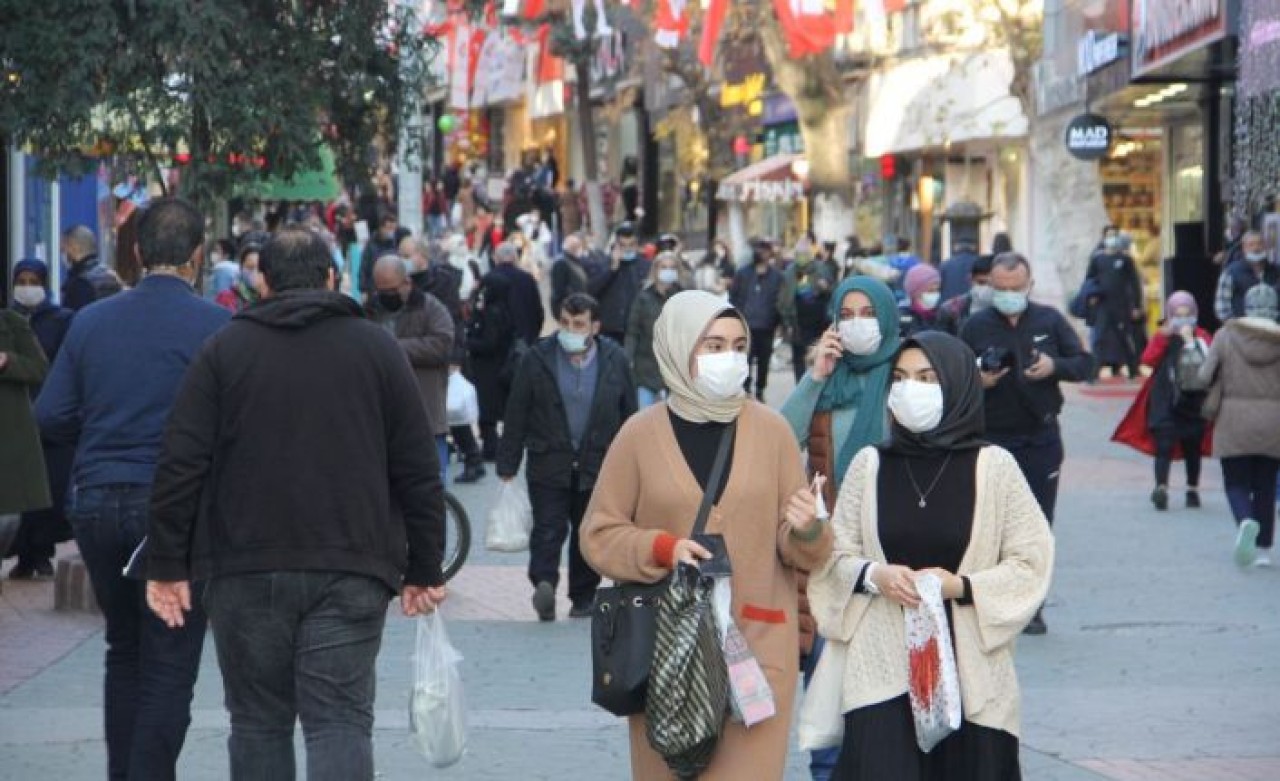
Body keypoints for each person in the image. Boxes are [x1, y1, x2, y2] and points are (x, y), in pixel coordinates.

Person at [144, 226, 446, 781]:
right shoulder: (377, 349)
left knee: (258, 721)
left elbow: (181, 463)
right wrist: (424, 566)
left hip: (243, 566)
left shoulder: (224, 350)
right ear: (332, 278)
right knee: (340, 722)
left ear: (262, 282)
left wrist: (167, 565)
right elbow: (417, 467)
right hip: (352, 564)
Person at [580, 290, 833, 779]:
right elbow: (599, 534)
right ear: (678, 348)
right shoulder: (639, 434)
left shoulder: (773, 430)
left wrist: (807, 529)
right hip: (666, 658)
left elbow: (802, 549)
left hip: (755, 654)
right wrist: (661, 547)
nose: (730, 358)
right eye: (713, 346)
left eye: (738, 346)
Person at [35, 198, 231, 780]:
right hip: (175, 508)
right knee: (169, 658)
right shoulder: (218, 329)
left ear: (138, 252)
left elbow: (50, 416)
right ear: (199, 256)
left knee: (124, 649)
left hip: (96, 500)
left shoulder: (90, 322)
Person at [808, 331, 1055, 780]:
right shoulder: (870, 464)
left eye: (926, 377)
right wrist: (874, 575)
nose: (909, 389)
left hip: (972, 679)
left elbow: (1031, 560)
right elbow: (833, 557)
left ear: (958, 384)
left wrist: (960, 587)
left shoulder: (994, 467)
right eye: (900, 377)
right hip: (881, 673)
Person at [779, 275, 901, 781]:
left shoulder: (906, 375)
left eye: (867, 313)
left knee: (885, 706)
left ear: (888, 318)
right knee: (827, 698)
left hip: (892, 560)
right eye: (845, 314)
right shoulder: (829, 380)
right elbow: (781, 439)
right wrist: (815, 374)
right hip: (828, 564)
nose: (856, 324)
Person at [960, 252, 1093, 635]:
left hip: (1041, 438)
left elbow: (1085, 363)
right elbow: (951, 373)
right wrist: (977, 380)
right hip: (989, 440)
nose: (1007, 295)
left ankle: (1032, 605)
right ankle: (992, 598)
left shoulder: (1049, 320)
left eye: (1015, 289)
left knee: (1037, 525)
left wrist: (1055, 367)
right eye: (999, 289)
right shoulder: (975, 325)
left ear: (1029, 286)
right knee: (991, 523)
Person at [499, 293, 636, 620]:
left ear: (595, 327)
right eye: (564, 323)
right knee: (548, 527)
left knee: (586, 532)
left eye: (578, 324)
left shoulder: (614, 360)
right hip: (549, 459)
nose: (570, 330)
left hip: (597, 462)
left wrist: (634, 465)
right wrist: (508, 463)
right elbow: (517, 411)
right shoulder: (537, 359)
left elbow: (630, 415)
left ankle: (583, 596)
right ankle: (544, 583)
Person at [1200, 283, 1280, 569]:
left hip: (1232, 419)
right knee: (1266, 486)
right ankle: (1263, 551)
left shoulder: (1226, 335)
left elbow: (1204, 375)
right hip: (1274, 423)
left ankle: (1245, 518)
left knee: (1236, 482)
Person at [1112, 292, 1213, 512]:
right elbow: (1147, 360)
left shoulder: (1203, 336)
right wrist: (1163, 337)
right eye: (1177, 314)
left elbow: (1210, 364)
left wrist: (1190, 341)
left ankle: (1192, 489)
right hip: (1165, 398)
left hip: (1193, 402)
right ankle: (1161, 488)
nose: (1183, 320)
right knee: (1163, 444)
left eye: (1187, 315)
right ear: (1169, 315)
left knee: (1192, 447)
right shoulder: (1164, 336)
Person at [6, 260, 75, 579]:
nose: (27, 285)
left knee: (47, 491)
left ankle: (41, 551)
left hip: (49, 421)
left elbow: (54, 368)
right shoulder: (10, 318)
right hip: (15, 423)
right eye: (21, 280)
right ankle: (22, 554)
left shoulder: (61, 320)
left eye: (34, 280)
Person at [367, 255, 456, 485]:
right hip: (383, 416)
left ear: (406, 283)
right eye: (381, 290)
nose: (386, 296)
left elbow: (442, 344)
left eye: (391, 289)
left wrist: (393, 347)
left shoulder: (431, 308)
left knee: (432, 486)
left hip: (427, 412)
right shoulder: (370, 310)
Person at [0, 307, 51, 582]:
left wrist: (7, 361)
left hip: (7, 440)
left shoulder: (12, 323)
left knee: (7, 520)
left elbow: (40, 368)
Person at [466, 273, 518, 460]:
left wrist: (468, 342)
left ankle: (491, 448)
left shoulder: (493, 313)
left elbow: (489, 343)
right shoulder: (505, 309)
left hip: (489, 369)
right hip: (497, 367)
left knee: (486, 412)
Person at [1085, 226, 1145, 380]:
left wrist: (1136, 306)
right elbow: (1089, 280)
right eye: (1109, 235)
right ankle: (1093, 374)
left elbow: (1134, 283)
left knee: (1123, 337)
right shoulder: (1097, 259)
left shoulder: (1125, 260)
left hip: (1121, 306)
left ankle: (1133, 370)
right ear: (1104, 238)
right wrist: (1091, 296)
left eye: (1114, 235)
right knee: (1098, 338)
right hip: (1103, 306)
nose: (1112, 238)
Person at [729, 239, 784, 401]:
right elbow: (734, 297)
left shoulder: (776, 276)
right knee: (744, 359)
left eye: (765, 250)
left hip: (767, 326)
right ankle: (745, 389)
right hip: (745, 326)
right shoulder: (743, 273)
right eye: (759, 249)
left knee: (764, 361)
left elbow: (780, 301)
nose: (761, 253)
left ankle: (760, 390)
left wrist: (779, 322)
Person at [626, 251, 682, 408]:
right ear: (655, 270)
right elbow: (632, 331)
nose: (668, 271)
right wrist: (627, 358)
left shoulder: (682, 296)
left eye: (672, 267)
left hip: (673, 370)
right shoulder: (643, 298)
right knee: (644, 415)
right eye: (663, 267)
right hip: (646, 368)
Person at [779, 245, 838, 384]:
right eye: (798, 254)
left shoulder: (821, 269)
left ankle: (818, 382)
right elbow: (784, 298)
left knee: (817, 352)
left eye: (804, 254)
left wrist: (825, 287)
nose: (801, 257)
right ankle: (800, 385)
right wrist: (786, 321)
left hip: (818, 320)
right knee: (798, 356)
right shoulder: (789, 272)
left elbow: (834, 290)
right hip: (797, 319)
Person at [589, 222, 650, 346]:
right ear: (615, 245)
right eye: (622, 245)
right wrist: (612, 270)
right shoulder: (603, 264)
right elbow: (591, 291)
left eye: (631, 245)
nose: (627, 249)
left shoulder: (645, 266)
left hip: (637, 330)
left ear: (637, 245)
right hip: (610, 331)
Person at [1214, 230, 1279, 323]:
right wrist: (1238, 328)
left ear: (1266, 246)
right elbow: (1222, 309)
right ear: (1244, 248)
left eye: (1260, 244)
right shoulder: (1231, 272)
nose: (1256, 248)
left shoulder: (1276, 271)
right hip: (1243, 332)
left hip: (1273, 331)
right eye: (1251, 245)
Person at [490, 241, 546, 345]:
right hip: (524, 341)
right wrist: (532, 335)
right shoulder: (527, 279)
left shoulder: (489, 279)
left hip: (497, 345)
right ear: (515, 257)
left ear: (496, 258)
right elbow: (538, 311)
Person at [60, 225, 122, 311]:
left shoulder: (79, 284)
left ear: (74, 247)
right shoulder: (112, 277)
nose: (63, 254)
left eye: (63, 249)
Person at [936, 253, 994, 336]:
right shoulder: (951, 310)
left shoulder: (1008, 312)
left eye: (992, 284)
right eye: (981, 282)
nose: (987, 288)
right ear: (970, 279)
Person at [358, 209, 409, 298]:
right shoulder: (371, 245)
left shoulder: (396, 244)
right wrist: (363, 289)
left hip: (394, 289)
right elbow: (364, 268)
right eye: (389, 228)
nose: (391, 232)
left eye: (393, 229)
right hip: (374, 290)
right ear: (381, 228)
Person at [550, 233, 596, 319]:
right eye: (576, 246)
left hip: (576, 305)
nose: (579, 249)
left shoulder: (574, 260)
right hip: (569, 307)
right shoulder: (561, 262)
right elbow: (559, 289)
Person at [214, 242, 266, 313]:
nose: (255, 272)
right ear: (241, 268)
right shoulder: (226, 298)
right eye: (250, 267)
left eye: (259, 268)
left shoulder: (269, 299)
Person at [899, 262, 943, 336]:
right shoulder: (903, 316)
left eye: (937, 290)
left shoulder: (943, 314)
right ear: (916, 292)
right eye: (930, 291)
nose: (935, 294)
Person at [938, 239, 981, 304]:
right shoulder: (980, 263)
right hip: (974, 306)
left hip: (949, 307)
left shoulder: (944, 265)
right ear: (974, 247)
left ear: (956, 247)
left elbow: (938, 288)